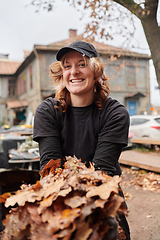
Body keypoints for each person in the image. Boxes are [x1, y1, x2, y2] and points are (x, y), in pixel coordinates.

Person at [33, 40, 130, 240]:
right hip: (56, 198)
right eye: (67, 66)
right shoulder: (47, 111)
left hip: (101, 198)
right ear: (62, 75)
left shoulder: (115, 113)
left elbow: (101, 171)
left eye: (82, 64)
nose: (74, 71)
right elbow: (51, 168)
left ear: (96, 72)